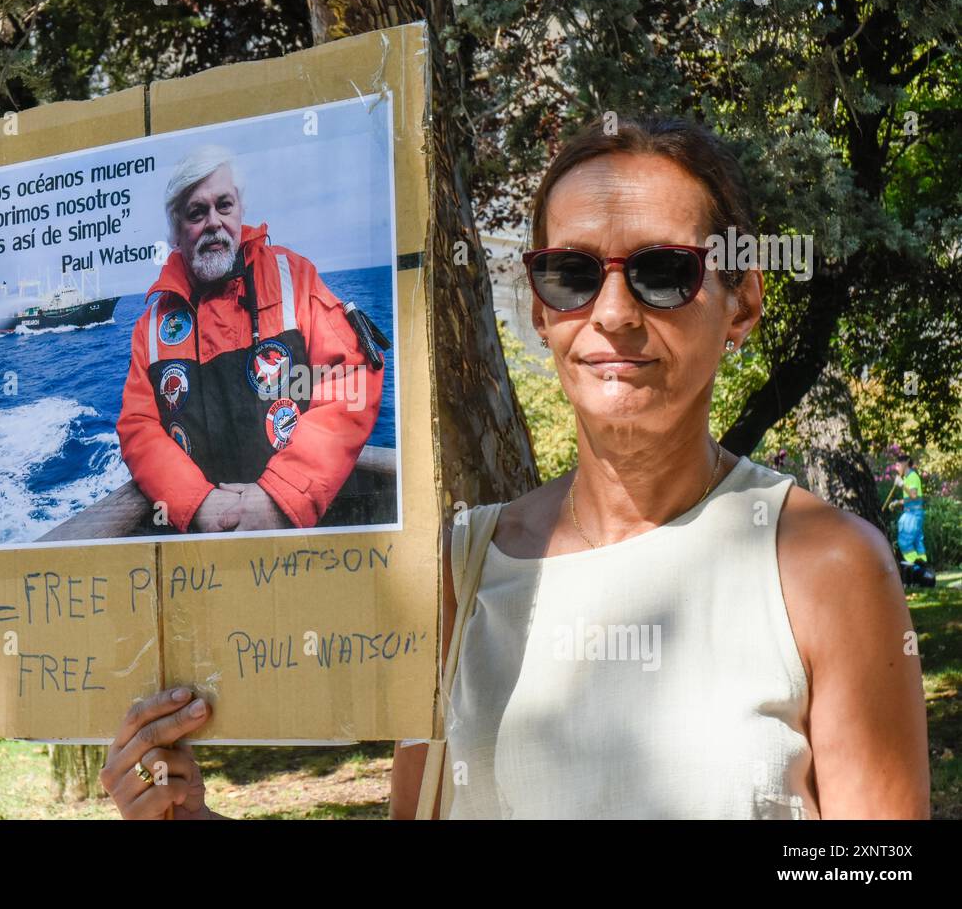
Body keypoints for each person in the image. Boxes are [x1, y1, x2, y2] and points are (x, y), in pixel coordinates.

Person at [101, 116, 930, 820]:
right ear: (540, 310)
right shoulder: (458, 573)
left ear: (741, 300)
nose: (612, 313)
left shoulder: (828, 568)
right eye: (572, 274)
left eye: (663, 272)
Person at [115, 145, 385, 535]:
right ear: (176, 230)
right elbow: (138, 426)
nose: (213, 222)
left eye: (224, 205)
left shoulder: (294, 277)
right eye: (196, 212)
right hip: (203, 550)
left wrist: (280, 496)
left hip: (297, 535)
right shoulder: (152, 327)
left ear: (240, 209)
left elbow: (352, 379)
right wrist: (197, 502)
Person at [891, 455, 929, 566]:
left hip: (912, 515)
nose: (896, 468)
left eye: (898, 465)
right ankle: (924, 570)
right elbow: (911, 499)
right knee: (918, 542)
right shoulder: (908, 478)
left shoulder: (912, 477)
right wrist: (897, 502)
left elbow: (913, 495)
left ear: (906, 463)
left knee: (904, 542)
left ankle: (916, 565)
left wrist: (902, 485)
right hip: (914, 513)